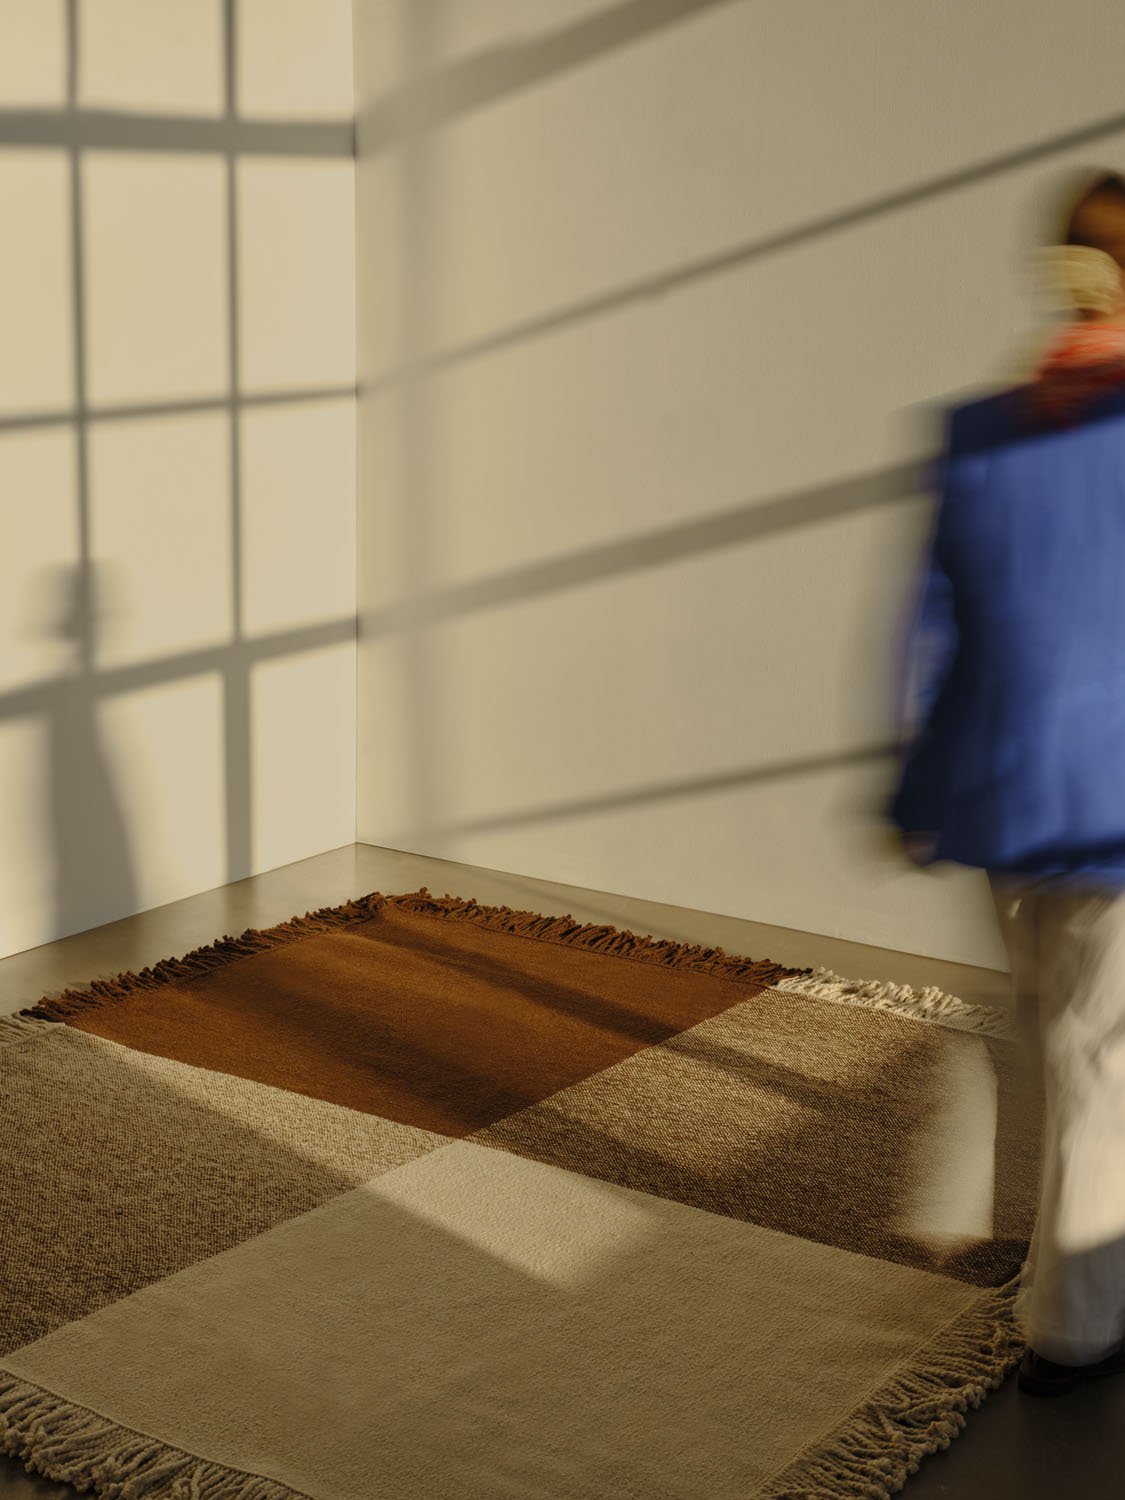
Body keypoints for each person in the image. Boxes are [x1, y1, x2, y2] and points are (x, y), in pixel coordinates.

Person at [888, 169, 1125, 1397]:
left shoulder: (979, 432)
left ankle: (1070, 1276)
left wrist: (915, 790)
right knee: (1098, 1059)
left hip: (1007, 797)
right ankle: (1075, 1325)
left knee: (1056, 1041)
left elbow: (929, 638)